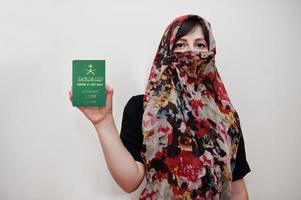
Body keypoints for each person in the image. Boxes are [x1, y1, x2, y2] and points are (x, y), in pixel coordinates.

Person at [69, 14, 251, 200]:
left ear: (211, 52)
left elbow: (237, 189)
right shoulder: (142, 108)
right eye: (180, 45)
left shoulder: (225, 115)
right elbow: (129, 182)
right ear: (167, 52)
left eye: (200, 45)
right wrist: (103, 122)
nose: (190, 52)